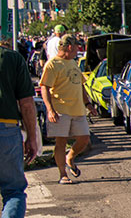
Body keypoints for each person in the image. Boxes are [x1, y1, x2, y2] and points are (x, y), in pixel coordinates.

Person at [39, 35, 97, 185]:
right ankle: (62, 174)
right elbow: (44, 87)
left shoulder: (72, 62)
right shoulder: (52, 64)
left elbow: (80, 85)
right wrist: (50, 109)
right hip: (60, 110)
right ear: (70, 47)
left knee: (84, 139)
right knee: (61, 142)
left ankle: (70, 157)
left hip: (77, 109)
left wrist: (88, 104)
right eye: (77, 46)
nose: (79, 49)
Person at [1, 26, 38, 217]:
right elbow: (27, 104)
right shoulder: (12, 58)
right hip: (6, 130)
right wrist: (31, 137)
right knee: (13, 191)